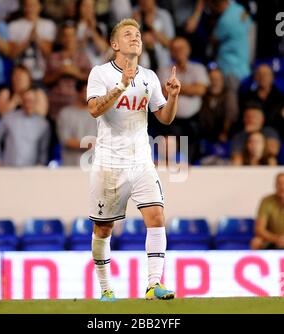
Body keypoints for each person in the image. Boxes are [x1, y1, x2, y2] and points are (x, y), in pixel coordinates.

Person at [87, 18, 180, 301]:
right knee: (103, 228)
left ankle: (154, 284)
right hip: (109, 163)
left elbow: (164, 118)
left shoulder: (150, 77)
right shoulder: (101, 73)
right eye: (128, 34)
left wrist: (173, 96)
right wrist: (120, 86)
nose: (136, 38)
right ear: (115, 44)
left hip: (141, 160)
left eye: (138, 34)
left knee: (157, 216)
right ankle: (105, 289)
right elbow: (93, 110)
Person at [0, 88, 50, 167]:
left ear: (36, 102)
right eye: (26, 100)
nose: (28, 104)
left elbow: (44, 148)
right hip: (8, 167)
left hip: (31, 169)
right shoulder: (8, 117)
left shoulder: (43, 124)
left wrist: (41, 164)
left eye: (31, 101)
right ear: (21, 101)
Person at [56, 80, 97, 166]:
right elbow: (66, 140)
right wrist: (88, 144)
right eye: (86, 91)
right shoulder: (65, 113)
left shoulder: (99, 114)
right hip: (70, 165)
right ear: (78, 92)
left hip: (92, 166)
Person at [251, 173, 284, 250]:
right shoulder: (266, 201)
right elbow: (259, 229)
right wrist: (276, 239)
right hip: (272, 239)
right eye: (279, 184)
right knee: (256, 242)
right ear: (275, 185)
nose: (282, 187)